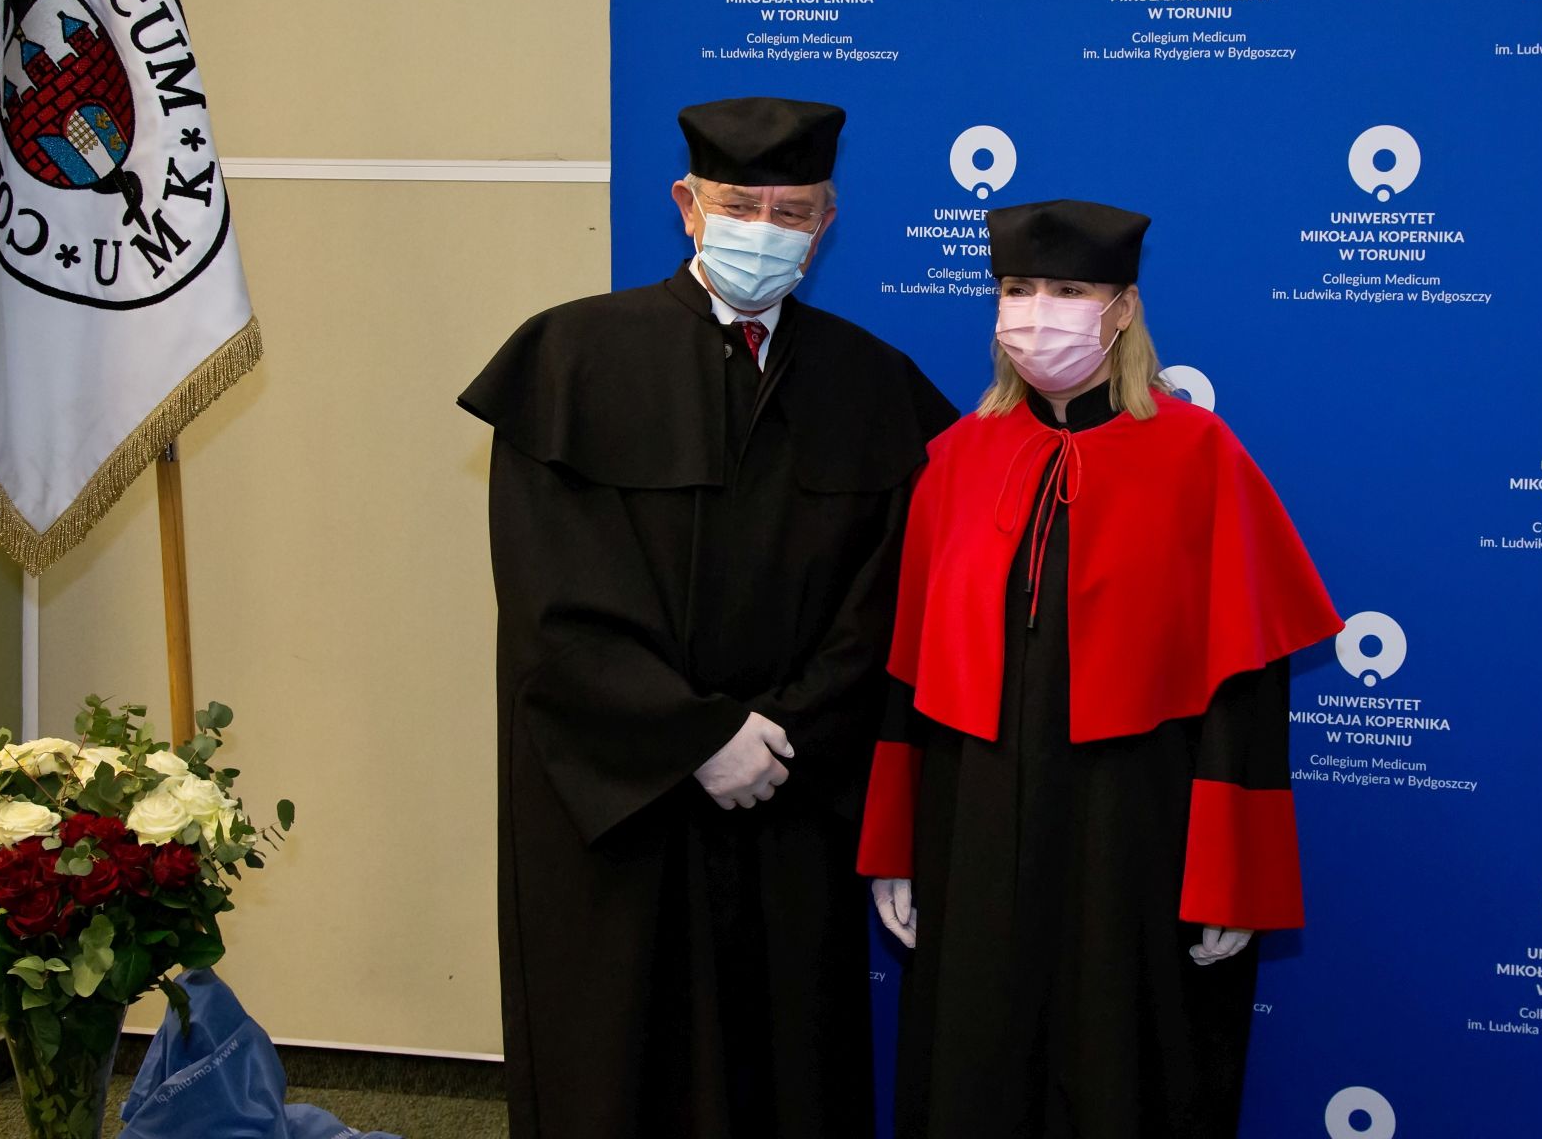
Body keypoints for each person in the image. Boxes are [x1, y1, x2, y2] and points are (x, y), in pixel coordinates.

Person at [459, 96, 957, 1139]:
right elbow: (554, 597)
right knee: (620, 1066)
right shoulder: (572, 359)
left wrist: (782, 735)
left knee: (790, 1066)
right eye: (739, 205)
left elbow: (886, 599)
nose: (764, 230)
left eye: (792, 211)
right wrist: (694, 736)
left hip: (792, 793)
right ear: (687, 205)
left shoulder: (872, 384)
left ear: (826, 224)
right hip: (620, 802)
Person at [858, 199, 1343, 1138]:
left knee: (1123, 1066)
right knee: (973, 1065)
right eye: (1018, 288)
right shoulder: (955, 460)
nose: (1039, 311)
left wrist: (1234, 876)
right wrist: (895, 844)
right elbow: (907, 671)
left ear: (1121, 309)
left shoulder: (1200, 457)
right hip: (973, 825)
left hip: (1134, 831)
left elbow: (1247, 687)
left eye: (1068, 290)